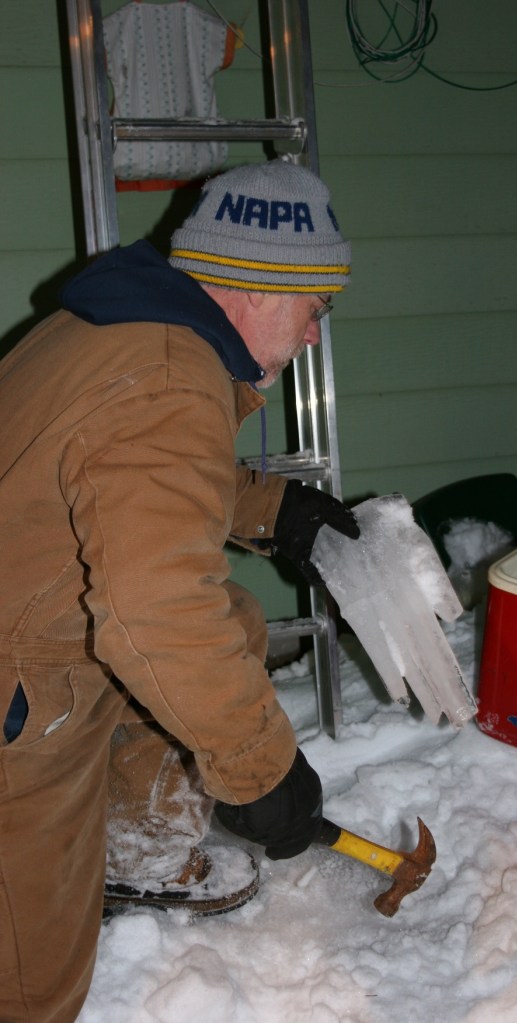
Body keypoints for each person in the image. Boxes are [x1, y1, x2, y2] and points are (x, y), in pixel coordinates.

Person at [0, 158, 359, 1023]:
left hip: (38, 607)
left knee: (230, 618)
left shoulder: (134, 330)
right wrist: (260, 770)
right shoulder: (170, 378)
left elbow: (124, 476)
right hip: (19, 679)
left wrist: (275, 508)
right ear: (263, 288)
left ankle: (136, 851)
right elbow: (158, 611)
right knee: (31, 966)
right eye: (318, 307)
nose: (316, 334)